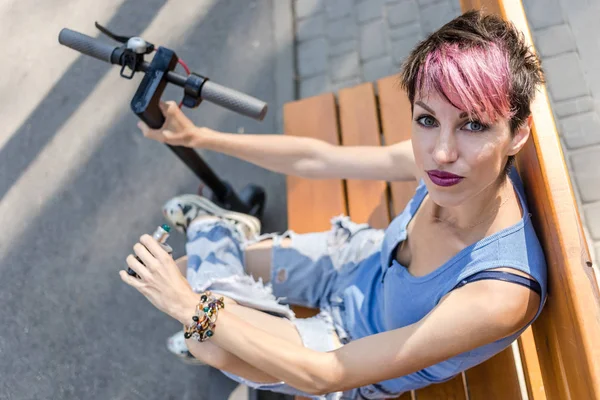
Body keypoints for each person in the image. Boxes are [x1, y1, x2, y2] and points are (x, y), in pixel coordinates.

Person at [120, 10, 547, 400]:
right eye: (427, 119)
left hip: (346, 343)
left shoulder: (499, 291)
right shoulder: (453, 168)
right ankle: (226, 277)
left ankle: (224, 261)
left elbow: (327, 374)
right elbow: (316, 158)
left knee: (203, 335)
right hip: (353, 261)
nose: (441, 153)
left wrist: (187, 307)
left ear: (518, 133)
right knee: (182, 274)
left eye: (473, 124)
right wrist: (198, 138)